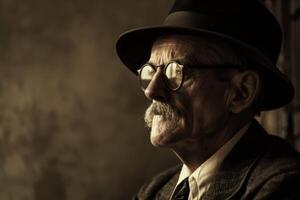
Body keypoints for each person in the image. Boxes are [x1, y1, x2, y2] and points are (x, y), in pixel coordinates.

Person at [116, 0, 300, 199]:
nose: (152, 91)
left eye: (176, 72)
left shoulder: (284, 184)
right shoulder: (153, 191)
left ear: (241, 93)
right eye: (150, 71)